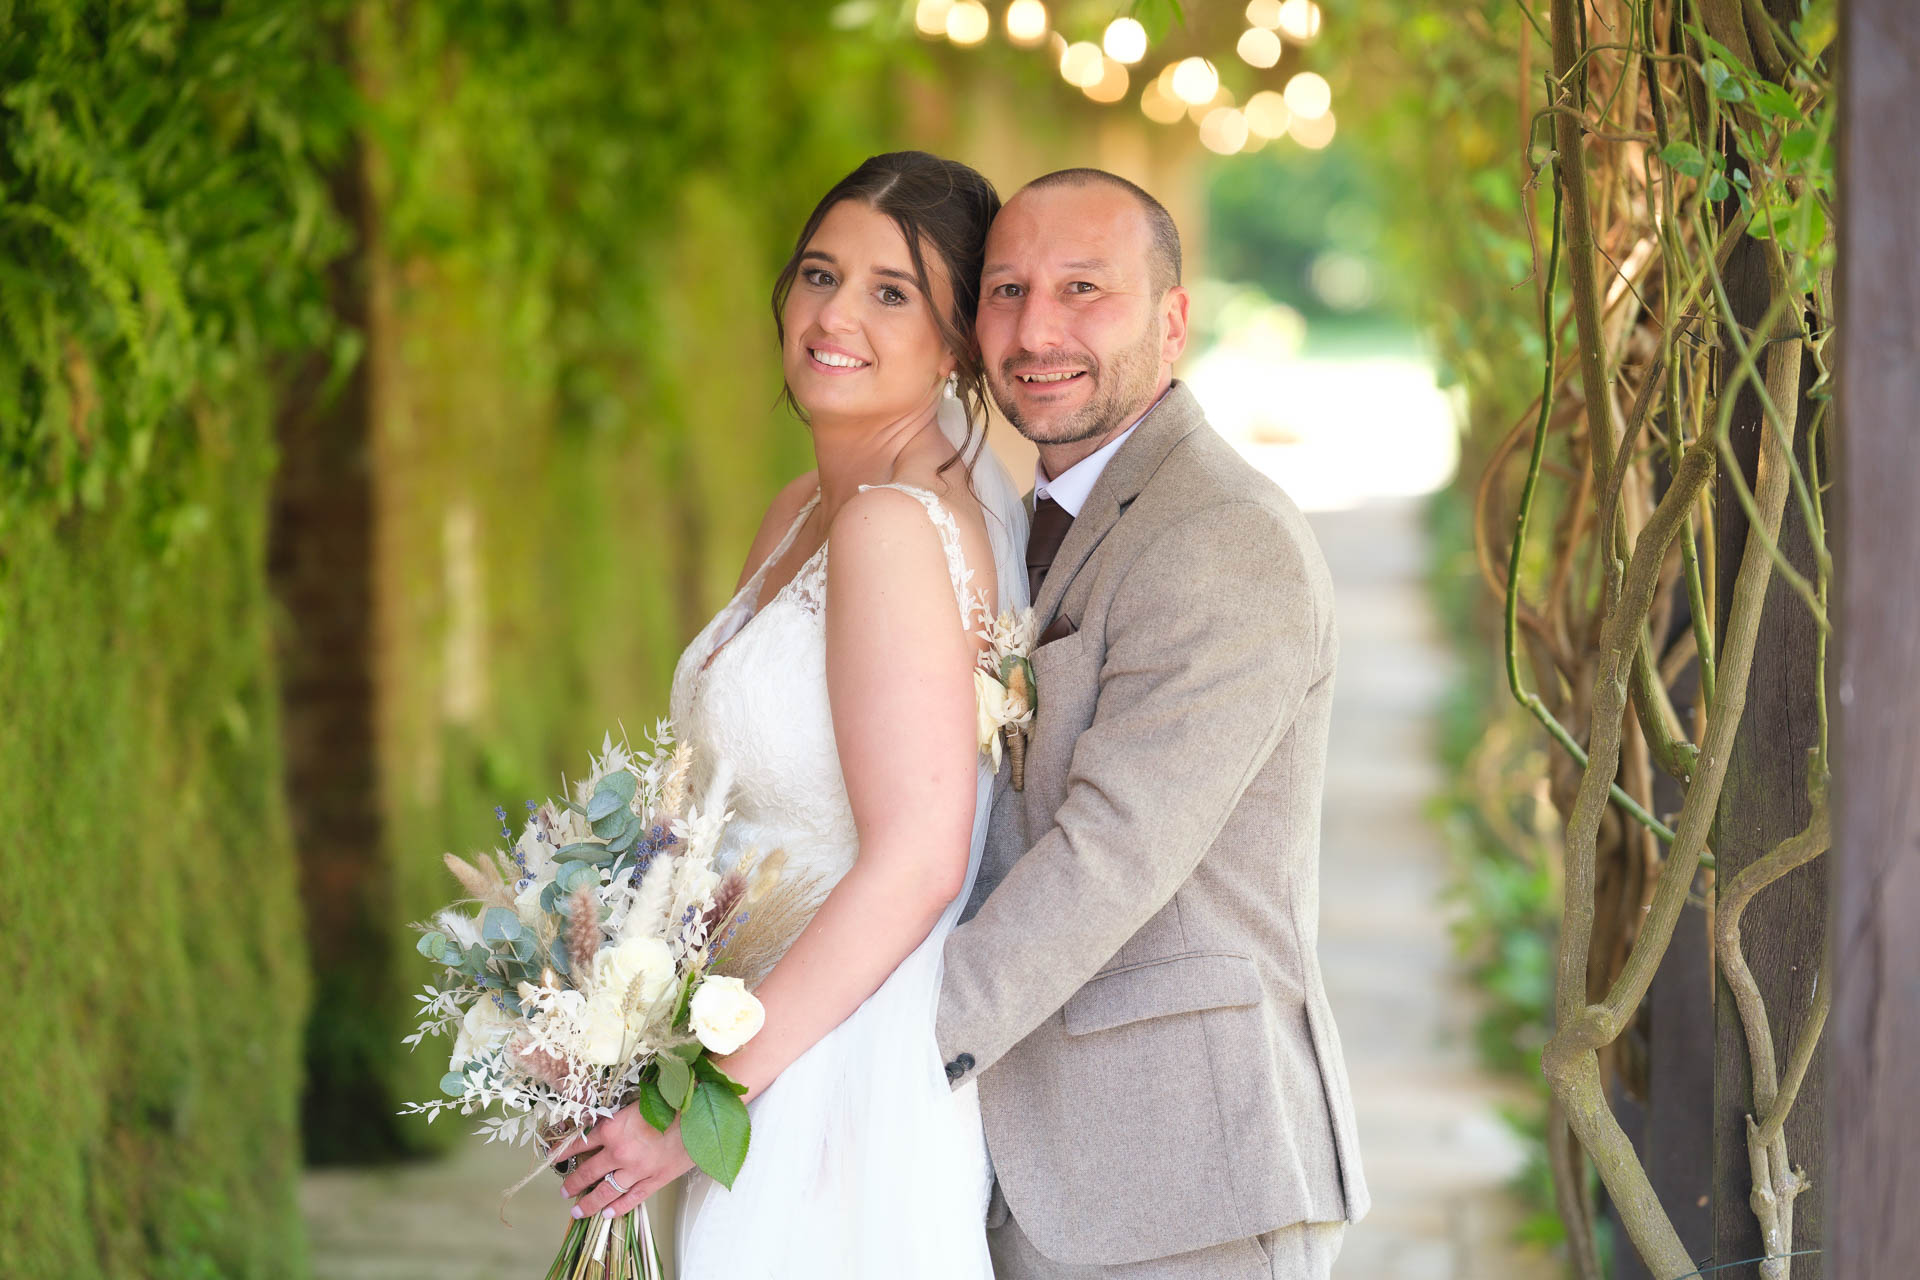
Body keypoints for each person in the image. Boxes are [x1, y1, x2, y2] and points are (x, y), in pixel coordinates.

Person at [551, 151, 1026, 1278]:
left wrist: (702, 1099)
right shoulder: (804, 507)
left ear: (956, 343)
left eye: (891, 291)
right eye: (820, 273)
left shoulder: (892, 529)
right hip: (755, 1036)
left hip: (830, 1075)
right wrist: (616, 1019)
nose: (834, 313)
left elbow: (916, 862)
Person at [934, 169, 1371, 1279]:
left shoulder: (1221, 536)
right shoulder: (1016, 515)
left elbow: (1107, 857)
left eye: (1085, 289)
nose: (1036, 328)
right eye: (1007, 289)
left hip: (1183, 1186)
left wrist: (871, 1047)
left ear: (1171, 320)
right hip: (1047, 1161)